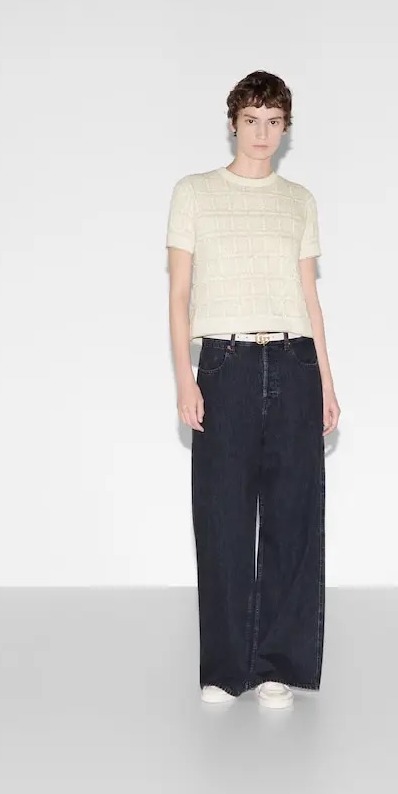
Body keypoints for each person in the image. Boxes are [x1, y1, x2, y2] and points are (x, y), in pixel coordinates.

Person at [166, 70, 340, 709]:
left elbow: (309, 297)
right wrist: (185, 376)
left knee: (294, 516)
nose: (262, 133)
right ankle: (224, 666)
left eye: (274, 122)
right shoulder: (195, 193)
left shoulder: (299, 201)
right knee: (222, 517)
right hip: (225, 363)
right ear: (233, 123)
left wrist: (326, 381)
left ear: (286, 128)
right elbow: (179, 294)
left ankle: (278, 666)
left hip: (294, 362)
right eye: (251, 121)